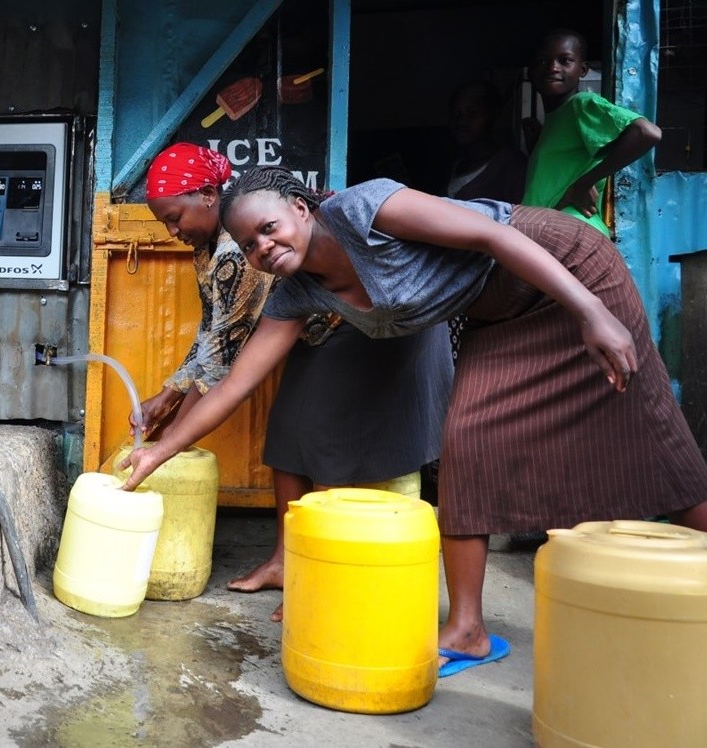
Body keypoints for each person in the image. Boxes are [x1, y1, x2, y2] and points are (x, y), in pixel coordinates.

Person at [119, 165, 707, 675]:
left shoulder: (363, 208)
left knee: (647, 425)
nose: (263, 249)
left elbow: (490, 233)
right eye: (248, 245)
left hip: (562, 270)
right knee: (466, 441)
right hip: (498, 316)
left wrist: (590, 309)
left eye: (268, 229)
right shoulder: (294, 293)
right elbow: (235, 384)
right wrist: (160, 450)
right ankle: (468, 631)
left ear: (300, 208)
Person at [137, 144, 453, 621]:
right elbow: (216, 328)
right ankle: (284, 563)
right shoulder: (216, 247)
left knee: (328, 446)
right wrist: (170, 390)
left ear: (207, 195)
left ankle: (318, 574)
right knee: (287, 438)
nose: (172, 231)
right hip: (311, 325)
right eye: (164, 223)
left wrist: (168, 442)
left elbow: (226, 358)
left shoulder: (237, 251)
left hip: (364, 321)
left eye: (175, 217)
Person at [521, 28, 661, 237]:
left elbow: (647, 132)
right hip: (551, 232)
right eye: (542, 62)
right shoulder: (555, 120)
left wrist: (584, 184)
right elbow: (556, 174)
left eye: (565, 60)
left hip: (568, 231)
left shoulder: (581, 104)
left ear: (583, 70)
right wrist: (536, 142)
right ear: (530, 72)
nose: (552, 68)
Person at [445, 80, 527, 204]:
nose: (461, 121)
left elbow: (522, 215)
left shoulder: (511, 163)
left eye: (472, 114)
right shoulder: (457, 165)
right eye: (456, 114)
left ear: (493, 115)